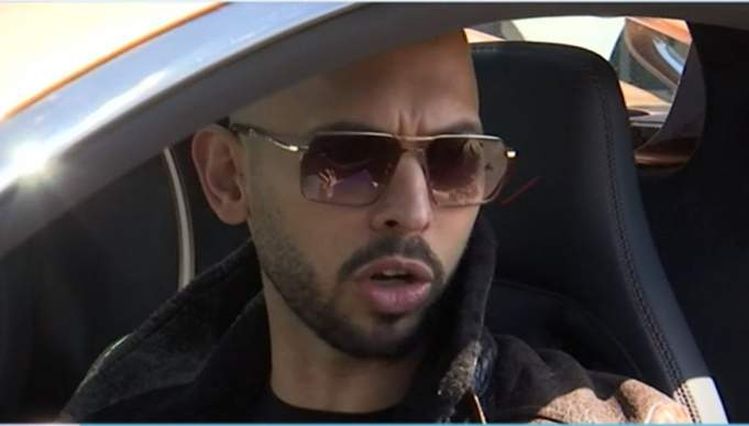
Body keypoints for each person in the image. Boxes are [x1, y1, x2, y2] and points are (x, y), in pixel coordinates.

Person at [62, 31, 689, 423]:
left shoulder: (611, 418)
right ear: (230, 178)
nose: (413, 212)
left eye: (455, 159)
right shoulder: (121, 403)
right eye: (348, 160)